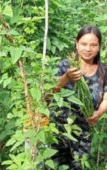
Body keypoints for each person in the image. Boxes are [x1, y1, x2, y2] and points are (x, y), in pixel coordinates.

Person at [52, 25, 107, 169]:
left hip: (83, 134)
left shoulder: (104, 71)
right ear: (76, 44)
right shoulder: (65, 66)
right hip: (57, 130)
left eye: (93, 45)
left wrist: (98, 113)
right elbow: (47, 94)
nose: (88, 49)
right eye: (83, 44)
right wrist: (65, 78)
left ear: (99, 46)